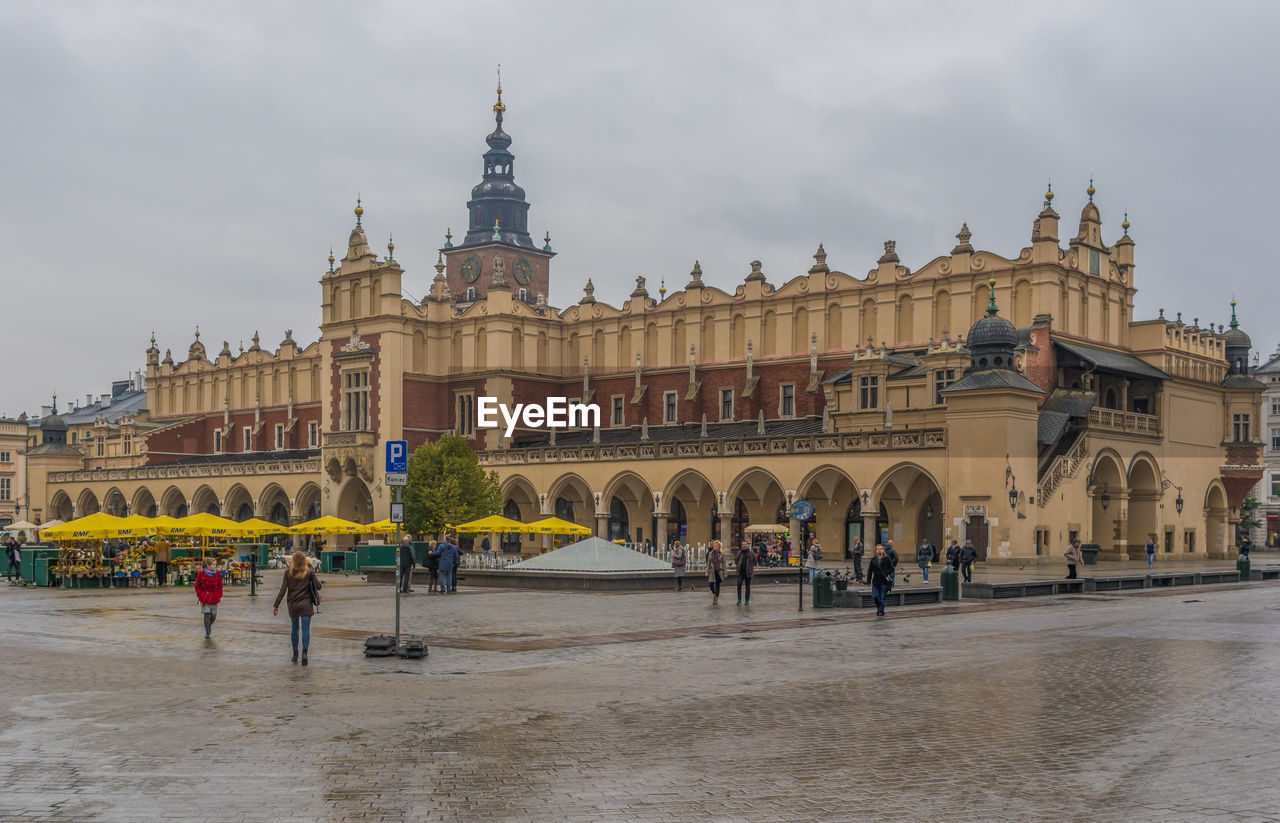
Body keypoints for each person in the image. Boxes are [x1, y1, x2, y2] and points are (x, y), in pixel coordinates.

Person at [273, 551, 323, 665]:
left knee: (294, 629)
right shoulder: (309, 573)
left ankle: (295, 654)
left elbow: (282, 590)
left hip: (293, 605)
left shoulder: (287, 573)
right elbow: (319, 586)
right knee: (305, 630)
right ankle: (304, 654)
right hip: (306, 605)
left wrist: (276, 605)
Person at [194, 558, 223, 639]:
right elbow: (197, 585)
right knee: (206, 613)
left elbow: (220, 584)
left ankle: (208, 626)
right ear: (208, 565)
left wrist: (219, 594)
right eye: (214, 565)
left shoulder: (217, 573)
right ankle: (207, 632)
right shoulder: (201, 573)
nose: (215, 566)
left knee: (213, 615)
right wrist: (200, 594)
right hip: (205, 596)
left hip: (214, 596)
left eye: (215, 564)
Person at [866, 544, 893, 618]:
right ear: (876, 551)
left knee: (882, 598)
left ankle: (880, 612)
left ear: (883, 550)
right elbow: (870, 570)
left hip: (884, 581)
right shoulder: (873, 559)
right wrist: (868, 581)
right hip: (875, 581)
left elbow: (892, 568)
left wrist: (886, 572)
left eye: (881, 548)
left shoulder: (887, 558)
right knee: (874, 596)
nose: (879, 550)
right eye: (878, 549)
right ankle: (880, 608)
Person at [734, 541, 755, 606]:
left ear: (747, 545)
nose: (744, 545)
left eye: (745, 544)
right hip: (740, 572)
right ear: (741, 545)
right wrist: (738, 565)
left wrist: (751, 567)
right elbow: (736, 560)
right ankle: (739, 600)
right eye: (743, 544)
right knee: (739, 585)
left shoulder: (751, 553)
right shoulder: (739, 553)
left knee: (747, 587)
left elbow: (755, 560)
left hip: (748, 572)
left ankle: (747, 600)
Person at [706, 540, 724, 605]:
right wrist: (706, 571)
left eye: (717, 545)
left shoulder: (722, 554)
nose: (716, 546)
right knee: (710, 584)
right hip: (712, 571)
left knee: (717, 585)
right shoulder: (710, 553)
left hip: (719, 571)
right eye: (715, 545)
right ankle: (715, 594)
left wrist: (726, 573)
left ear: (719, 546)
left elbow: (724, 563)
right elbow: (708, 563)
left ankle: (716, 598)